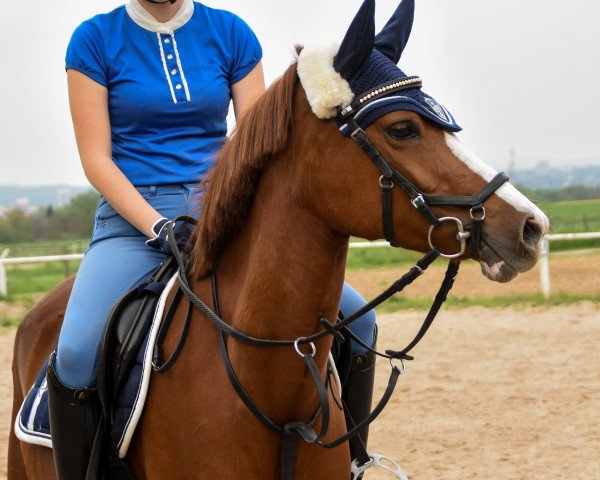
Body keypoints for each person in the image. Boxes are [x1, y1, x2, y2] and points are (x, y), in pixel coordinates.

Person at [47, 1, 376, 478]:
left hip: (220, 211)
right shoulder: (94, 39)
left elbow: (256, 139)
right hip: (132, 219)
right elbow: (97, 160)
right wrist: (157, 225)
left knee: (358, 324)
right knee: (76, 353)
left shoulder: (230, 33)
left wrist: (235, 213)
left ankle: (353, 461)